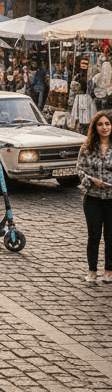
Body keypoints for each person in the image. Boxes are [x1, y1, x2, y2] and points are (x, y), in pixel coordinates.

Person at [76, 110, 112, 285]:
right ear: (95, 127)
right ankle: (92, 271)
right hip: (92, 198)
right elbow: (79, 169)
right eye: (100, 124)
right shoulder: (87, 146)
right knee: (94, 235)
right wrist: (90, 181)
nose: (104, 127)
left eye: (107, 124)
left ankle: (109, 271)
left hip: (111, 197)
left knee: (111, 236)